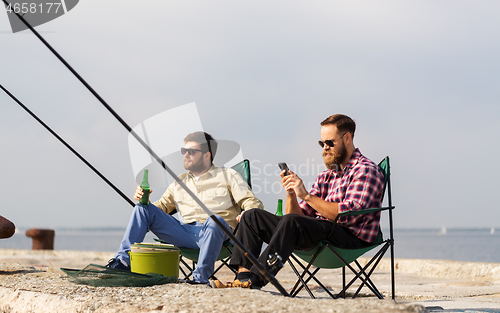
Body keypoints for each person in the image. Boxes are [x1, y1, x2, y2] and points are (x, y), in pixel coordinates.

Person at [211, 114, 385, 289]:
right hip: (322, 232)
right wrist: (292, 194)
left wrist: (307, 196)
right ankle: (243, 277)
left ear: (347, 138)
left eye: (329, 143)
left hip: (349, 238)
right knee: (251, 216)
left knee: (291, 222)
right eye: (322, 143)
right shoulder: (327, 175)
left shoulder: (365, 170)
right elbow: (297, 217)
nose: (325, 148)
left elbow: (347, 216)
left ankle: (257, 279)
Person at [107, 131, 263, 285]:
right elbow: (161, 207)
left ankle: (200, 278)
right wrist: (144, 200)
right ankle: (122, 262)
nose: (186, 155)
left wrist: (246, 214)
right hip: (184, 232)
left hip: (218, 234)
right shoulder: (179, 181)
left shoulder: (228, 175)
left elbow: (252, 202)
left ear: (207, 156)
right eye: (184, 151)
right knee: (142, 209)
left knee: (215, 220)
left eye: (192, 151)